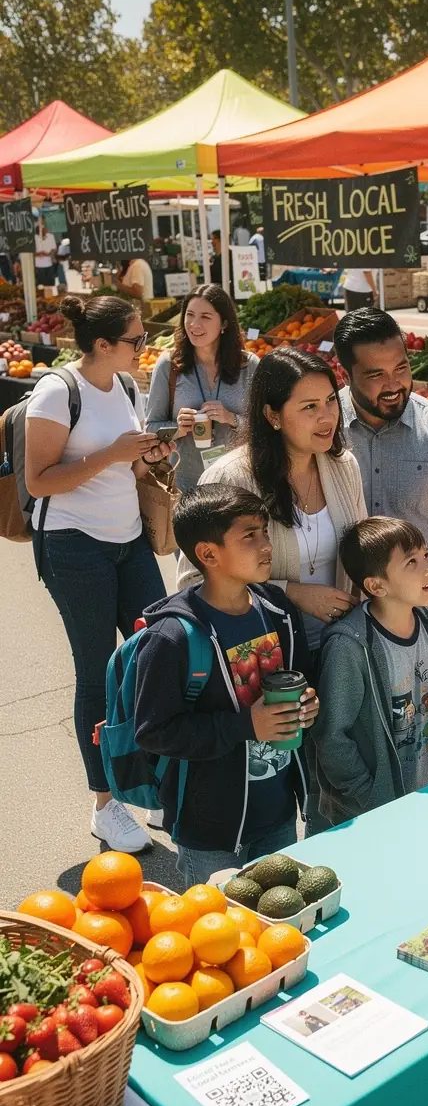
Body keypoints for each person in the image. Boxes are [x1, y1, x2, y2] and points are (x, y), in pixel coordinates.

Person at [176, 347, 365, 837]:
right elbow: (193, 580)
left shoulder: (342, 466)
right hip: (266, 661)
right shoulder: (231, 477)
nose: (327, 416)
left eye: (331, 401)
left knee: (336, 783)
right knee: (272, 790)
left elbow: (360, 548)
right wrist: (292, 593)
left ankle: (329, 862)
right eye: (309, 406)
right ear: (272, 415)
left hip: (340, 649)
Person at [24, 294, 174, 853]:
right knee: (96, 671)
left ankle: (150, 779)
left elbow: (125, 466)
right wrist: (112, 454)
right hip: (73, 546)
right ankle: (105, 804)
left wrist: (147, 454)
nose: (143, 346)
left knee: (157, 652)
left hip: (128, 538)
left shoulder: (128, 387)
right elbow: (39, 481)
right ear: (103, 344)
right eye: (136, 340)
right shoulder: (57, 391)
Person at [133, 484, 319, 885]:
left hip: (279, 812)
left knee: (278, 916)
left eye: (265, 532)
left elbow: (302, 677)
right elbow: (154, 731)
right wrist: (245, 725)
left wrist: (308, 702)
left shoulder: (279, 610)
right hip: (211, 830)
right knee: (216, 923)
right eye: (249, 535)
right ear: (208, 554)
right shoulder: (173, 637)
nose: (266, 545)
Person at [333, 307, 428, 681]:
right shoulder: (323, 429)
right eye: (376, 374)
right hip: (340, 622)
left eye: (401, 368)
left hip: (425, 625)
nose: (394, 384)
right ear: (346, 372)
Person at [312, 517, 428, 823]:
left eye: (427, 555)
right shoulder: (350, 646)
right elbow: (332, 737)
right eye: (411, 562)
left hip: (427, 794)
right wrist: (370, 798)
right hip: (370, 815)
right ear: (376, 585)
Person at [146, 284, 258, 494]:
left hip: (239, 484)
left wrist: (231, 418)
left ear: (224, 323)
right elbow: (151, 428)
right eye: (189, 315)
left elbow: (266, 427)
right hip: (185, 487)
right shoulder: (169, 365)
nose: (194, 324)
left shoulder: (248, 366)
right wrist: (178, 428)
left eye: (205, 317)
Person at [34, 214, 57, 287]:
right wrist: (38, 253)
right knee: (41, 285)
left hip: (49, 264)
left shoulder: (51, 236)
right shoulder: (34, 238)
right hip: (39, 265)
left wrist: (48, 254)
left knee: (51, 284)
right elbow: (31, 252)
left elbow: (54, 249)